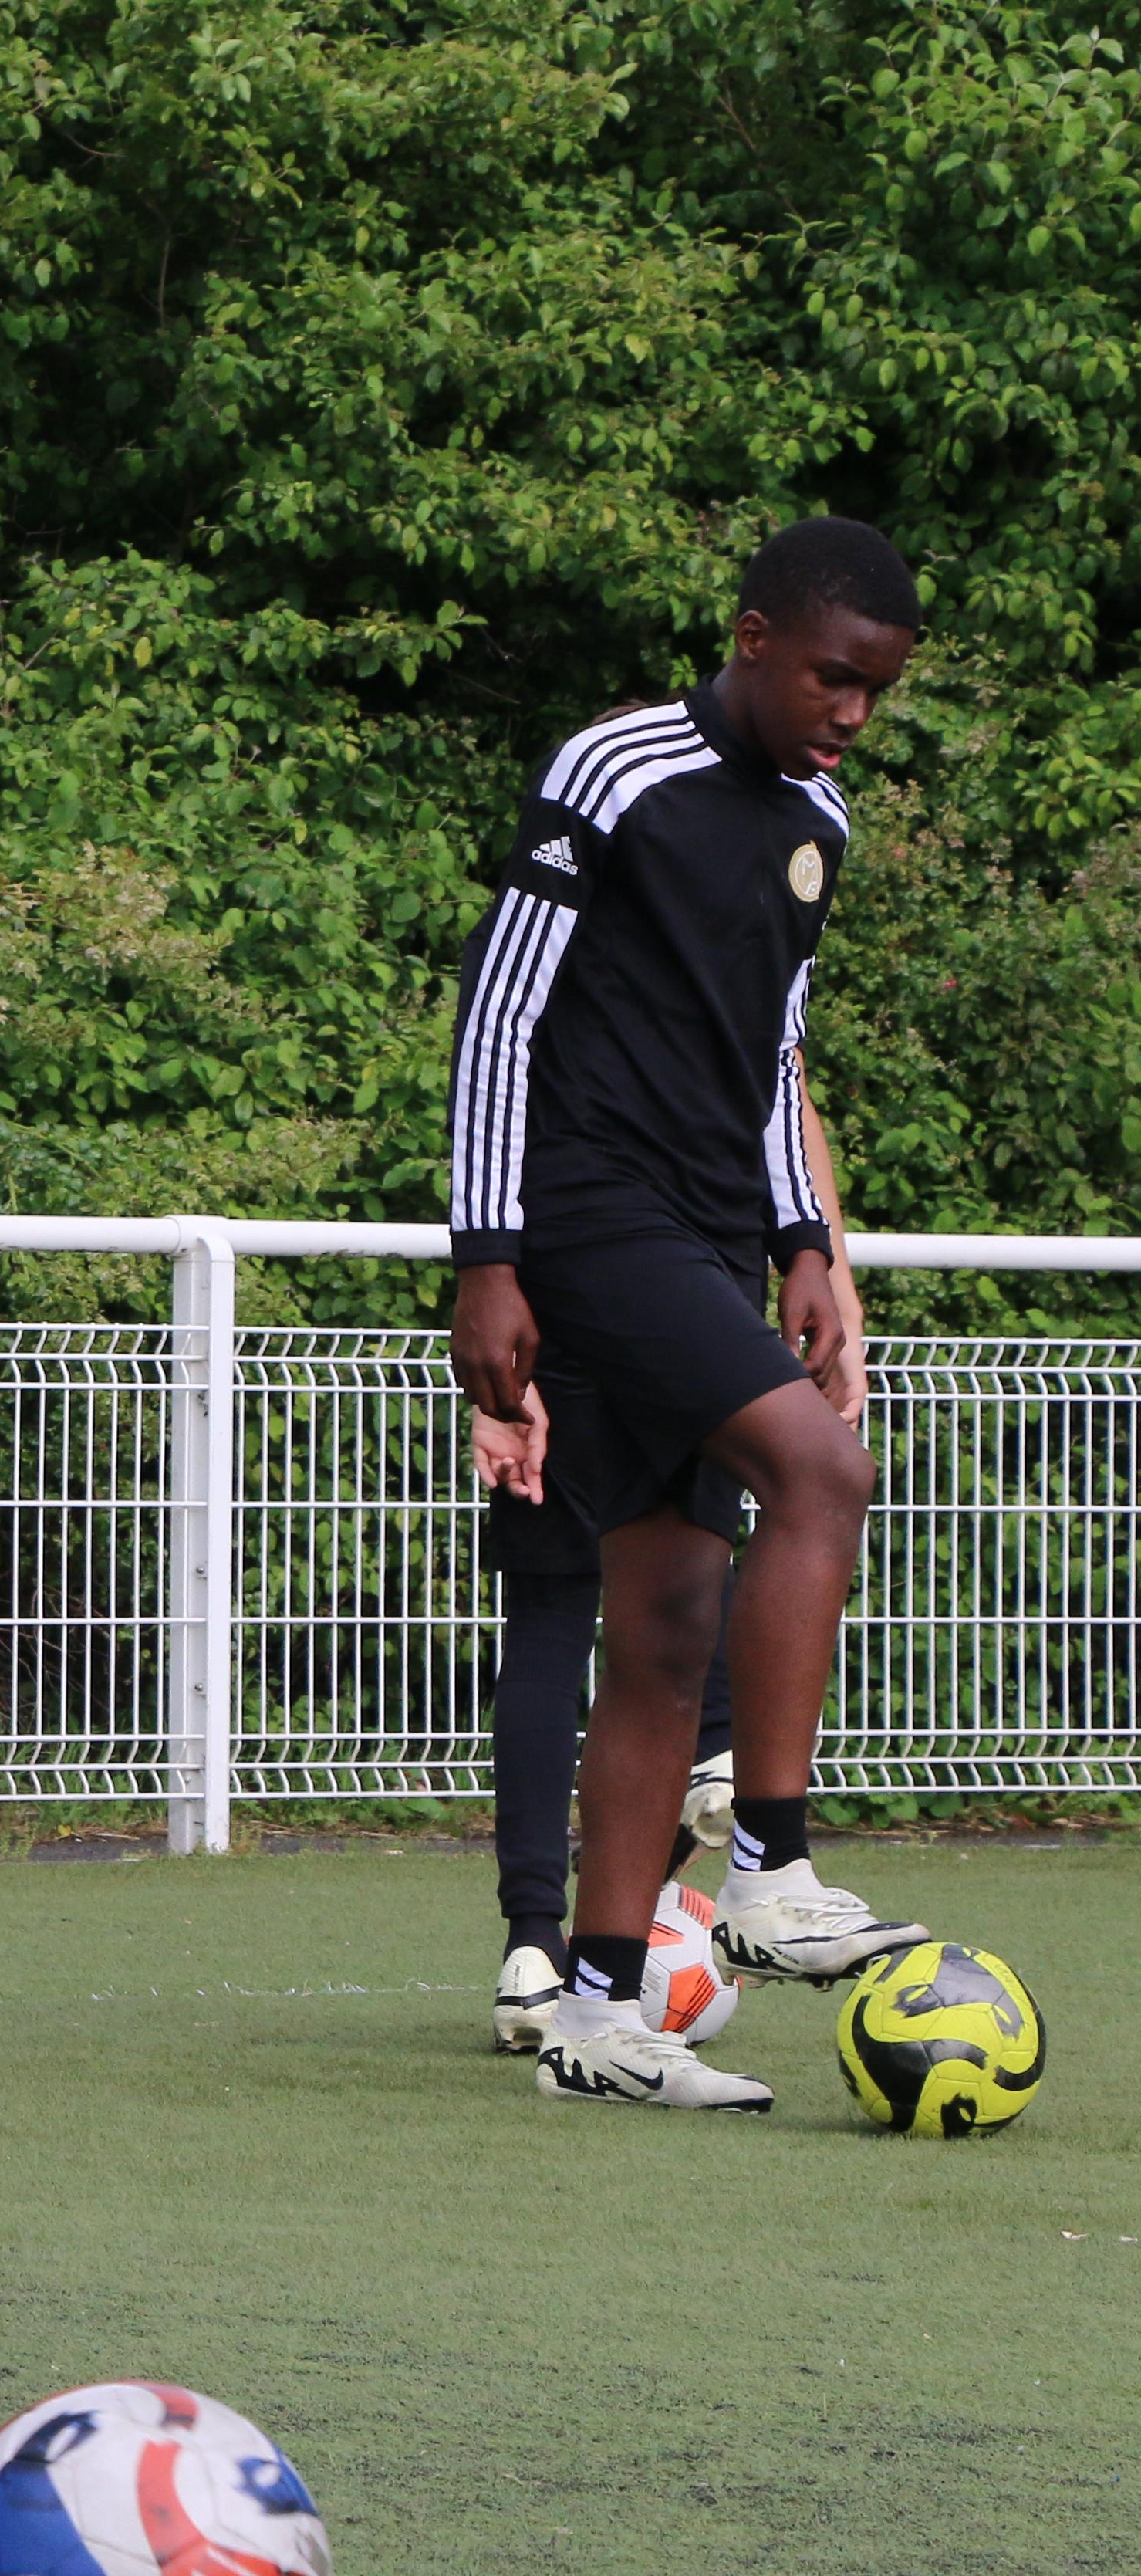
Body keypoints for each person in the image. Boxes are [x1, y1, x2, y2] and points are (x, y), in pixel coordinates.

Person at [445, 512, 930, 2115]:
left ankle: (593, 2007)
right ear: (751, 637)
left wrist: (804, 1239)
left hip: (715, 1234)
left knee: (657, 1631)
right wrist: (487, 1257)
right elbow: (502, 1019)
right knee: (825, 1470)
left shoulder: (817, 821)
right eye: (831, 679)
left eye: (876, 691)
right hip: (591, 1218)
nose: (850, 713)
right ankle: (776, 1865)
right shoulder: (616, 771)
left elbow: (774, 1050)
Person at [474, 1100, 862, 2055]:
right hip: (675, 1285)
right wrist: (830, 1281)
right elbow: (783, 1092)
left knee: (577, 1610)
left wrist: (494, 1285)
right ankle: (744, 1817)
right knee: (701, 1572)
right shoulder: (716, 970)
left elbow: (499, 1085)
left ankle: (543, 1951)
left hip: (557, 1283)